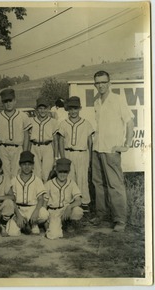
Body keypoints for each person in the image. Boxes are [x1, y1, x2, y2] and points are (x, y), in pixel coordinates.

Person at [91, 70, 134, 232]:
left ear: (109, 83)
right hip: (97, 149)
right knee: (98, 184)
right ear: (95, 84)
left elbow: (130, 123)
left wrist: (126, 144)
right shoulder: (97, 102)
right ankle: (101, 215)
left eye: (103, 82)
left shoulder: (117, 100)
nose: (101, 85)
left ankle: (120, 220)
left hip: (111, 150)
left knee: (115, 185)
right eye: (98, 82)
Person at [58, 96, 94, 213]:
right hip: (68, 153)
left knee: (82, 178)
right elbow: (61, 141)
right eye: (71, 109)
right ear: (67, 110)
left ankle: (84, 202)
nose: (73, 111)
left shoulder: (86, 123)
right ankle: (70, 201)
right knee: (70, 178)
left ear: (80, 108)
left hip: (82, 153)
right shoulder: (64, 123)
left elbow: (90, 142)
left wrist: (91, 159)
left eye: (75, 109)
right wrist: (62, 157)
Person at [6, 151, 49, 236]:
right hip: (18, 209)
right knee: (12, 233)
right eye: (24, 164)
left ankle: (32, 223)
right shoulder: (14, 180)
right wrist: (18, 216)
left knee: (44, 214)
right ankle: (25, 224)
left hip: (32, 209)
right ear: (20, 165)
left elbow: (40, 199)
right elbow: (12, 200)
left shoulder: (37, 180)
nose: (27, 167)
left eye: (29, 164)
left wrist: (36, 212)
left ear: (33, 166)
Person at [0, 88, 32, 179]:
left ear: (15, 101)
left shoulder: (23, 116)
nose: (8, 104)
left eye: (10, 101)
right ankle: (7, 193)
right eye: (5, 101)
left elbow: (26, 135)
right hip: (2, 148)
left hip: (18, 148)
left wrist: (25, 151)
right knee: (4, 175)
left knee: (17, 174)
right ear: (2, 103)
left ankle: (16, 193)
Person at [43, 158, 84, 240]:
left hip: (65, 210)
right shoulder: (49, 183)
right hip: (53, 211)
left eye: (65, 172)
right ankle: (50, 224)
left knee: (78, 211)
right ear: (56, 171)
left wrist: (69, 207)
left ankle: (68, 222)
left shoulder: (71, 183)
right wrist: (45, 217)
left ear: (68, 172)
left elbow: (79, 200)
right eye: (60, 171)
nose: (62, 174)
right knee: (53, 235)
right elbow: (44, 202)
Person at [29, 97, 59, 182]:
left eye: (44, 108)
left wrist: (56, 157)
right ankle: (37, 194)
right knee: (36, 174)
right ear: (37, 109)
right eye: (40, 108)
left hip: (47, 147)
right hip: (34, 147)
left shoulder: (53, 122)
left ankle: (46, 194)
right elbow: (28, 139)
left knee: (47, 174)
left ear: (48, 108)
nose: (42, 111)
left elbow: (55, 141)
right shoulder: (31, 121)